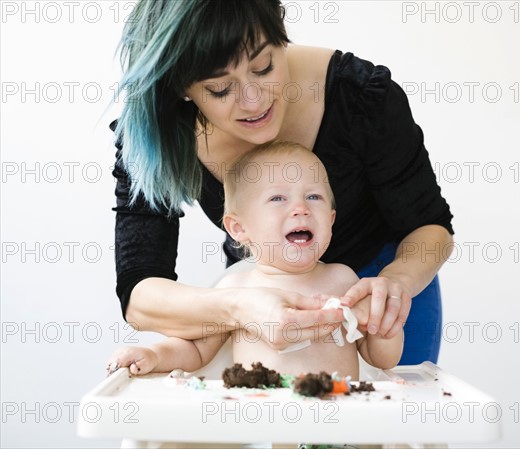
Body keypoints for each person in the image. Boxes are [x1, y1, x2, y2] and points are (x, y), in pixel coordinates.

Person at [111, 0, 454, 365]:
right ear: (181, 87)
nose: (253, 101)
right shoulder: (151, 138)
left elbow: (430, 227)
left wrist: (395, 286)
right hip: (259, 293)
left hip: (386, 286)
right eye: (219, 89)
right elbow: (139, 290)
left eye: (263, 67)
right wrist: (239, 306)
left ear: (281, 31)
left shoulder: (361, 96)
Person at [108, 141, 403, 380]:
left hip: (340, 424)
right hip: (265, 420)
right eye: (278, 199)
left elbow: (380, 359)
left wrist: (385, 330)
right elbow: (197, 352)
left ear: (331, 218)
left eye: (313, 197)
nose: (300, 208)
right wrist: (155, 356)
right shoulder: (235, 290)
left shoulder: (344, 281)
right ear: (239, 228)